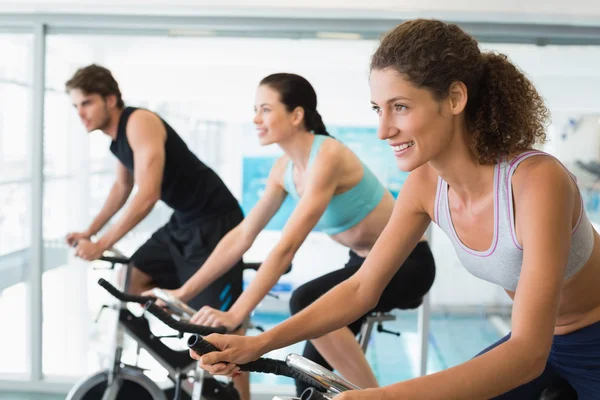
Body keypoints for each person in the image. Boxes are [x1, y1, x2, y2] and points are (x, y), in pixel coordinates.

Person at [192, 19, 600, 399]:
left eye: (400, 107)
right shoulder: (424, 185)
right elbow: (360, 288)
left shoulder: (535, 181)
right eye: (377, 109)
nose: (384, 129)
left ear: (455, 98)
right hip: (540, 345)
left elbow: (527, 353)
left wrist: (384, 396)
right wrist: (258, 342)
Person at [151, 72, 435, 395]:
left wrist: (235, 315)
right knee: (308, 380)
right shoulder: (284, 170)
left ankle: (375, 396)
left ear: (297, 115)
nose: (256, 118)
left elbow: (286, 248)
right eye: (255, 109)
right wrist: (181, 293)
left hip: (408, 263)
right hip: (360, 265)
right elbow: (242, 234)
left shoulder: (327, 156)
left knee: (304, 300)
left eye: (266, 109)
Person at [64, 64, 249, 398]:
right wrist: (88, 233)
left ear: (110, 99)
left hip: (216, 221)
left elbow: (147, 195)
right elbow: (121, 190)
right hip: (184, 220)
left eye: (87, 102)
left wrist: (102, 243)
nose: (81, 113)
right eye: (76, 106)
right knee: (129, 282)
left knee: (221, 330)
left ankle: (230, 390)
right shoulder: (117, 140)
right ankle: (179, 363)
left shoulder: (140, 122)